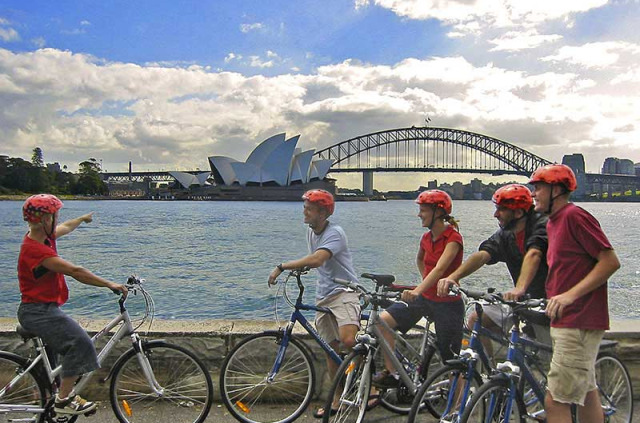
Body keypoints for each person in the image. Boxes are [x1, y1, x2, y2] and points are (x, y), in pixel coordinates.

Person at [17, 194, 128, 415]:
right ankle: (64, 398)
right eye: (54, 216)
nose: (57, 220)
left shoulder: (40, 237)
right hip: (38, 311)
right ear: (44, 220)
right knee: (80, 343)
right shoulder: (37, 251)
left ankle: (55, 395)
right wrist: (109, 284)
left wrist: (82, 219)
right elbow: (75, 272)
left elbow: (66, 227)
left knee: (63, 355)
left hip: (43, 309)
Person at [529, 164, 620, 423]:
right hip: (567, 319)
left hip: (577, 320)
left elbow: (609, 261)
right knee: (586, 393)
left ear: (556, 190)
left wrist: (569, 296)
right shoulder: (553, 222)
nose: (533, 193)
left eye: (538, 187)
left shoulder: (574, 216)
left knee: (556, 401)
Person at [268, 189, 360, 419]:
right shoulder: (311, 232)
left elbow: (319, 258)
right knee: (331, 350)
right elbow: (316, 261)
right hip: (324, 294)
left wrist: (283, 266)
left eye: (309, 208)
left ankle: (371, 385)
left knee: (349, 340)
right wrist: (301, 268)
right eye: (305, 206)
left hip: (344, 291)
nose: (304, 211)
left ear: (322, 212)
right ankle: (337, 397)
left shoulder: (335, 232)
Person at [437, 183, 549, 357]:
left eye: (501, 209)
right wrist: (453, 277)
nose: (495, 214)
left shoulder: (543, 227)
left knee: (552, 363)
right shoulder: (506, 233)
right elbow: (483, 254)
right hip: (520, 302)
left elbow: (535, 254)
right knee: (476, 319)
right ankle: (490, 372)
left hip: (546, 305)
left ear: (518, 212)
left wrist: (519, 288)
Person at [372, 190, 464, 390]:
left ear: (438, 212)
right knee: (382, 322)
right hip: (426, 298)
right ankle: (394, 374)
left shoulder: (453, 238)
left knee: (452, 361)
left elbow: (440, 269)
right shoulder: (426, 238)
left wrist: (418, 290)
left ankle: (457, 409)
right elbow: (421, 259)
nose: (419, 214)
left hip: (448, 305)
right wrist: (424, 282)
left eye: (423, 210)